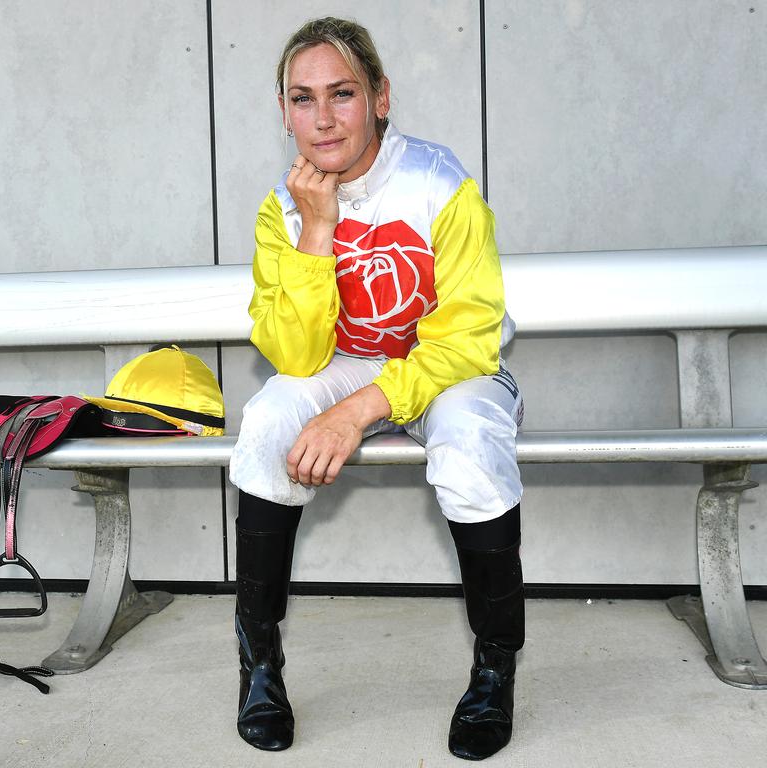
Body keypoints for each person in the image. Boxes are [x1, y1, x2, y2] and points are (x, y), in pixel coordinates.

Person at [228, 17, 525, 761]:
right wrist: (317, 230)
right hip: (351, 360)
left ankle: (494, 669)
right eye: (302, 99)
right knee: (267, 424)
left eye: (342, 94)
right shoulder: (283, 206)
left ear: (380, 97)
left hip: (450, 364)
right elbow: (295, 353)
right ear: (283, 110)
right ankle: (260, 664)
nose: (322, 118)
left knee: (467, 450)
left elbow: (465, 335)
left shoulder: (437, 181)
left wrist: (358, 413)